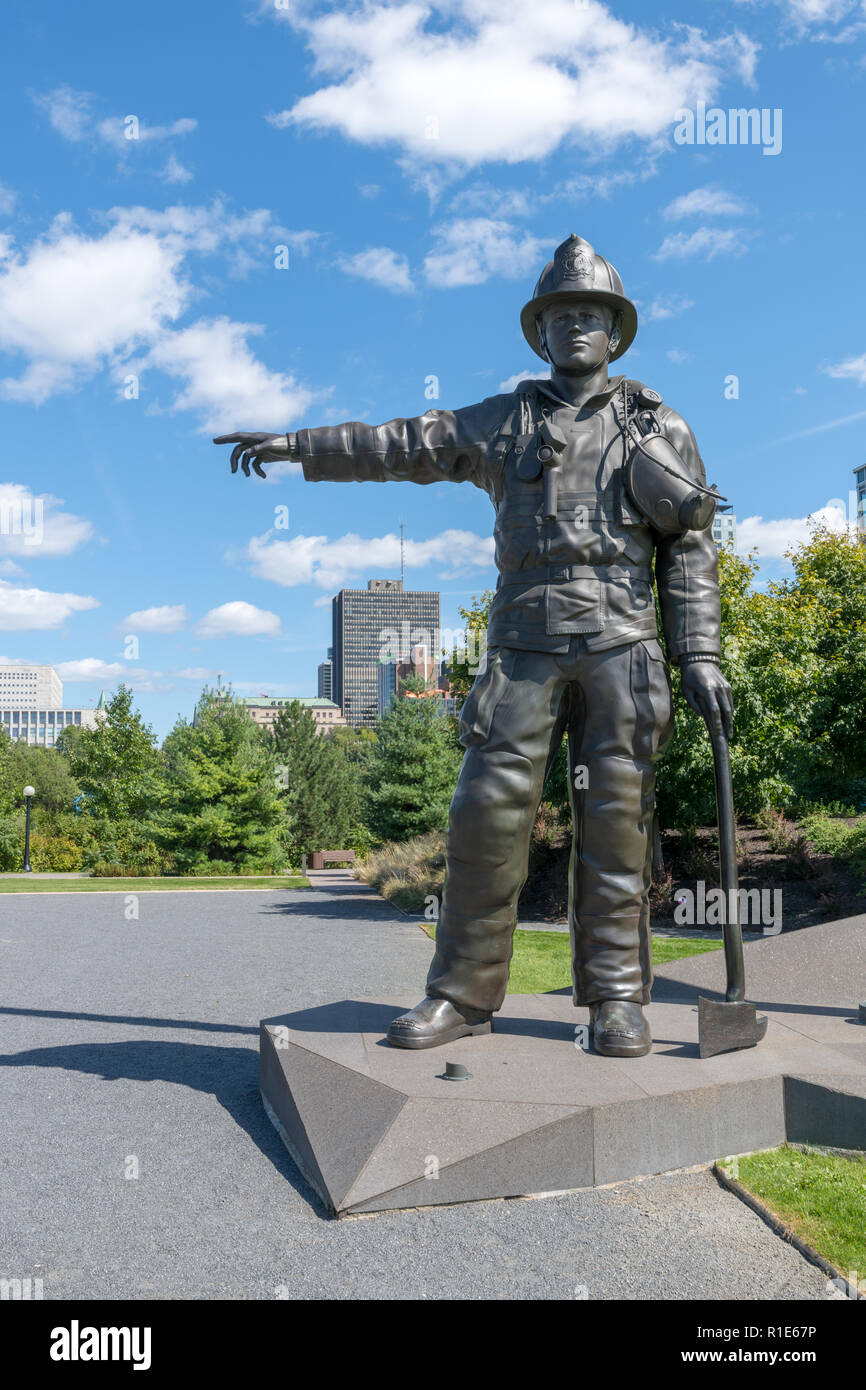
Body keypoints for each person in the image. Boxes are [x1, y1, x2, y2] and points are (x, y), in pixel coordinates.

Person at [214, 233, 732, 1058]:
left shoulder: (656, 424)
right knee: (484, 819)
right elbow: (399, 444)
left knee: (617, 827)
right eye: (560, 315)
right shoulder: (503, 420)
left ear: (615, 330)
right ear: (539, 332)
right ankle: (461, 995)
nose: (575, 327)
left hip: (624, 650)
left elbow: (692, 549)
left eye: (590, 314)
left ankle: (616, 1001)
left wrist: (698, 651)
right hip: (522, 647)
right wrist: (297, 445)